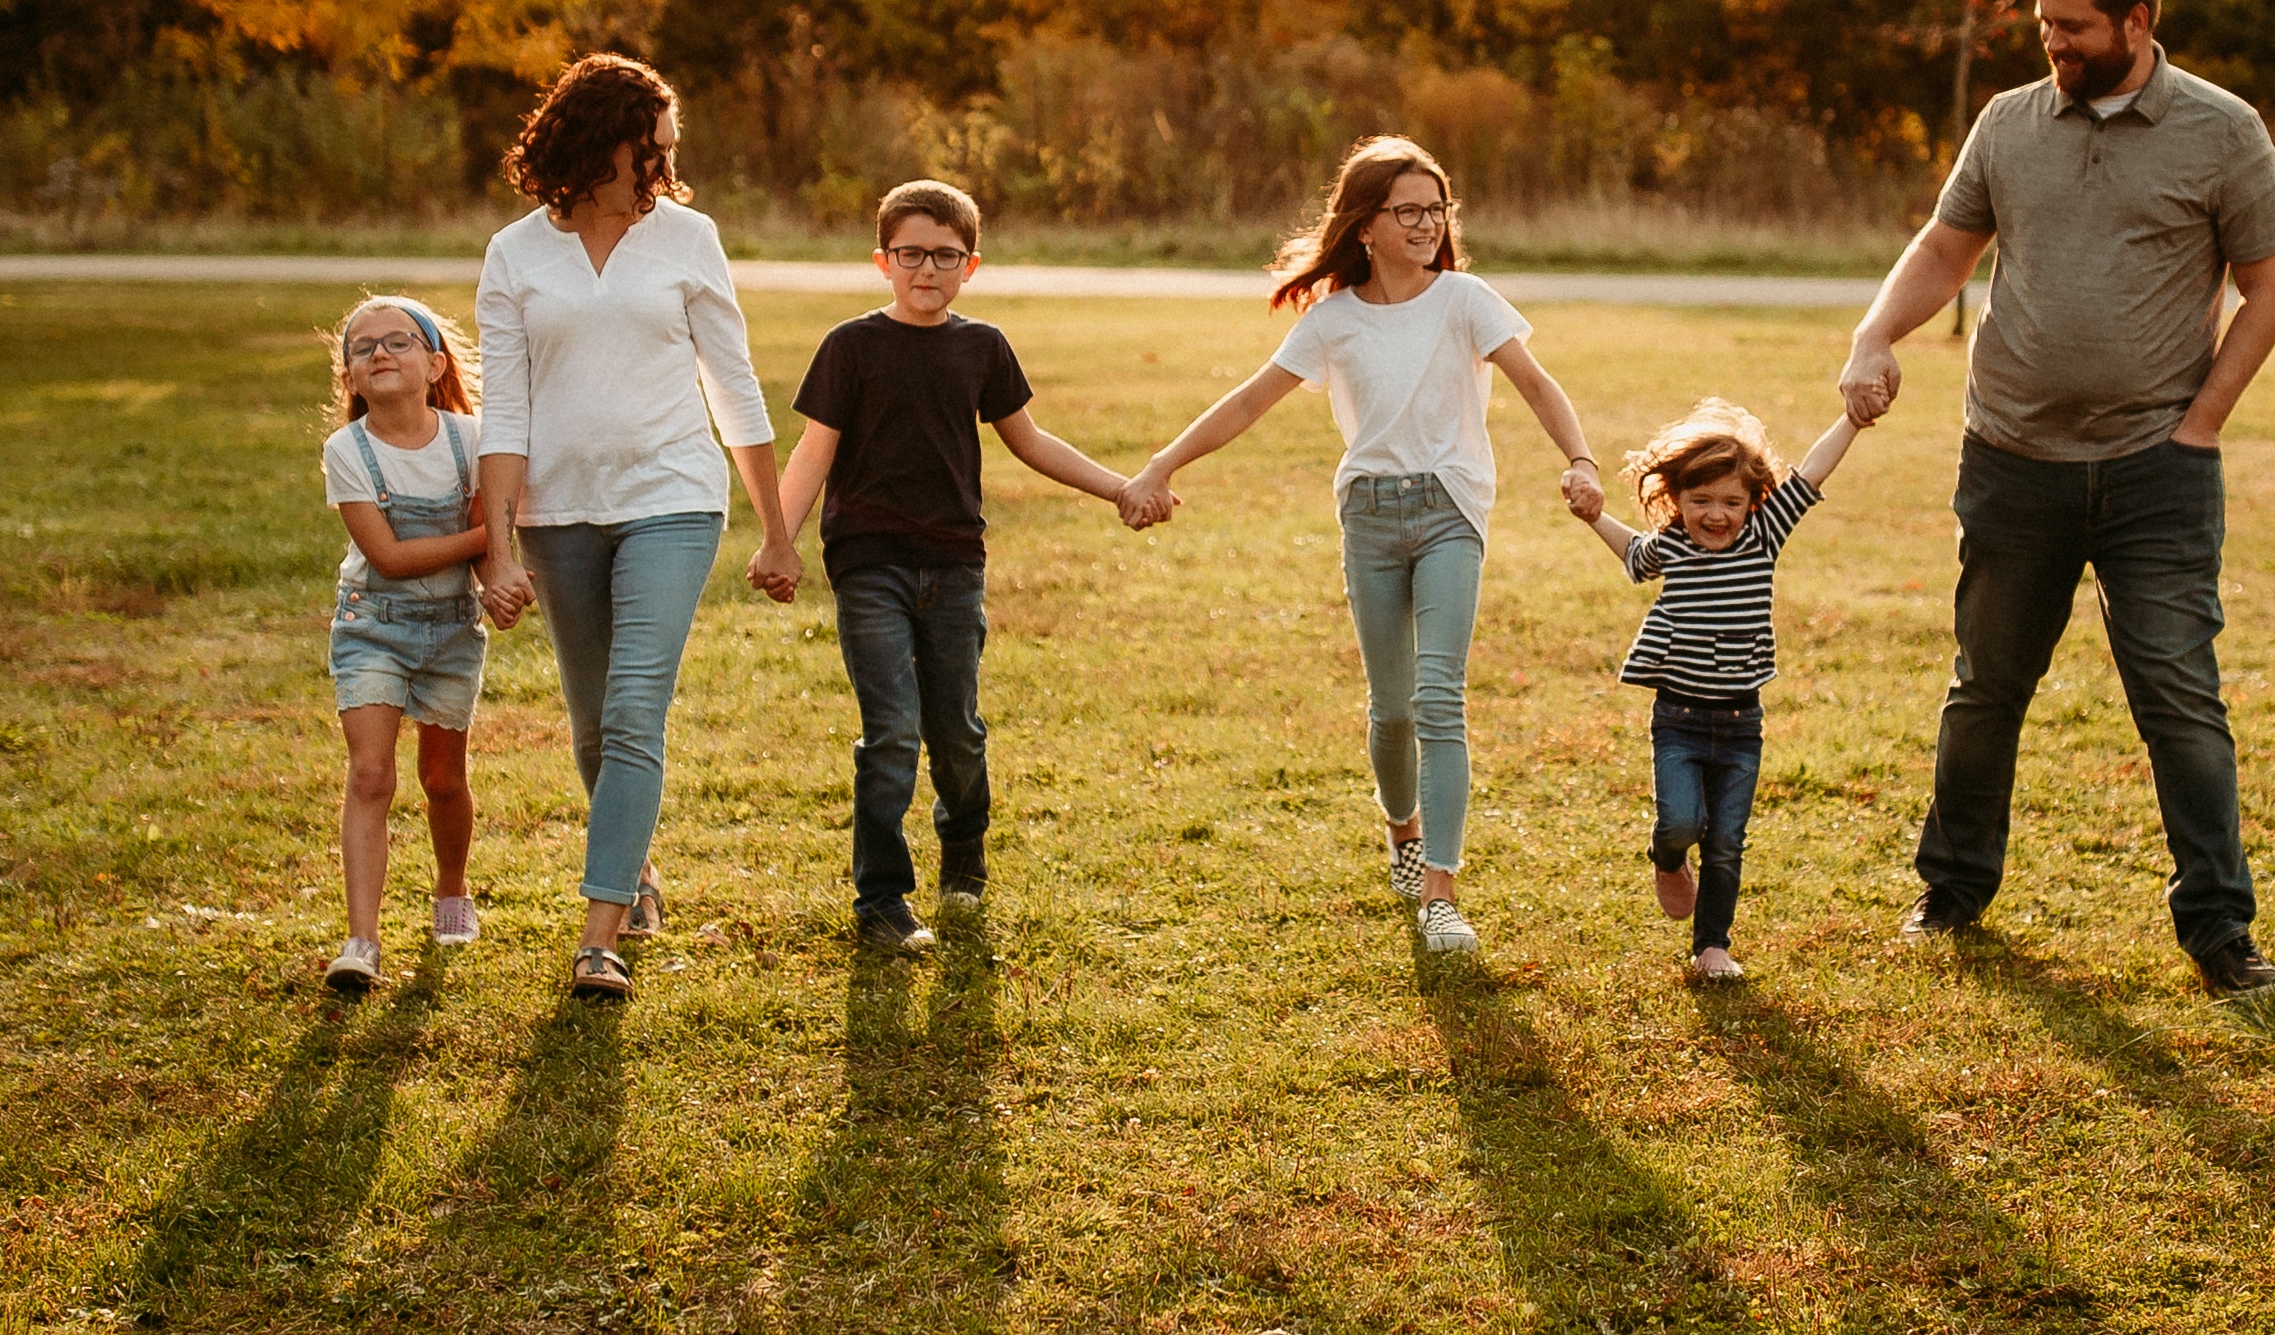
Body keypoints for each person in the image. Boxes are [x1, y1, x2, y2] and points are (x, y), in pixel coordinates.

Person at [1837, 0, 2275, 990]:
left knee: (2178, 695)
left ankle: (2220, 931)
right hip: (2011, 457)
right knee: (1985, 685)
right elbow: (1947, 247)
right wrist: (1874, 333)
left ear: (2138, 20)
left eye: (2076, 24)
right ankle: (1950, 892)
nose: (2055, 40)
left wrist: (2203, 424)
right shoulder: (2008, 123)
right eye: (2045, 21)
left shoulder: (2222, 131)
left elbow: (2268, 286)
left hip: (2156, 470)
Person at [1120, 135, 1606, 959]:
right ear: (1367, 225)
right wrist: (1161, 465)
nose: (1426, 223)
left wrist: (1581, 458)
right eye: (1407, 210)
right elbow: (1248, 402)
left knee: (1439, 697)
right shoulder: (1333, 320)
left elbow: (1535, 381)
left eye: (1435, 209)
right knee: (1391, 710)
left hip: (1450, 507)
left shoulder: (1465, 300)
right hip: (1371, 519)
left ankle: (1441, 892)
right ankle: (1402, 835)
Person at [472, 52, 792, 1002]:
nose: (663, 164)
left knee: (632, 710)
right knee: (590, 723)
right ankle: (639, 866)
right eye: (649, 148)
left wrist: (776, 528)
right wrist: (496, 547)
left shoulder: (688, 238)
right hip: (557, 512)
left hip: (673, 499)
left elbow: (732, 383)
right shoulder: (514, 254)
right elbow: (507, 413)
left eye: (667, 149)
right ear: (594, 143)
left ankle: (597, 932)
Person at [760, 178, 1140, 953]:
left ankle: (962, 852)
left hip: (954, 562)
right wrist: (777, 537)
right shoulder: (850, 345)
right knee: (891, 732)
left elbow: (1030, 441)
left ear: (971, 264)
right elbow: (812, 451)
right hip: (868, 562)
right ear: (882, 259)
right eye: (910, 254)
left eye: (944, 255)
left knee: (956, 732)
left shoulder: (981, 346)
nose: (925, 269)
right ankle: (882, 898)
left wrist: (1119, 487)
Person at [1562, 392, 1873, 983]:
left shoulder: (1763, 537)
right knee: (1681, 822)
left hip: (1740, 724)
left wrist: (1852, 420)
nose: (1716, 514)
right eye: (1699, 500)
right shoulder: (1674, 547)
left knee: (1726, 840)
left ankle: (1712, 947)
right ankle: (1667, 856)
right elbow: (1632, 553)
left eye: (1732, 501)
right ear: (1674, 500)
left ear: (1754, 502)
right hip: (1677, 718)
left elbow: (1810, 473)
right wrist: (1591, 514)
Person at [316, 293, 491, 995]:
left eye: (397, 341)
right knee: (370, 775)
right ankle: (362, 940)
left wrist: (504, 576)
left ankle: (451, 889)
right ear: (351, 379)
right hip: (372, 625)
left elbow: (488, 552)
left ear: (435, 363)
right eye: (363, 348)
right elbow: (387, 557)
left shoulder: (471, 441)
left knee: (443, 780)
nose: (380, 352)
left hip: (452, 628)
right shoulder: (346, 450)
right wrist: (493, 543)